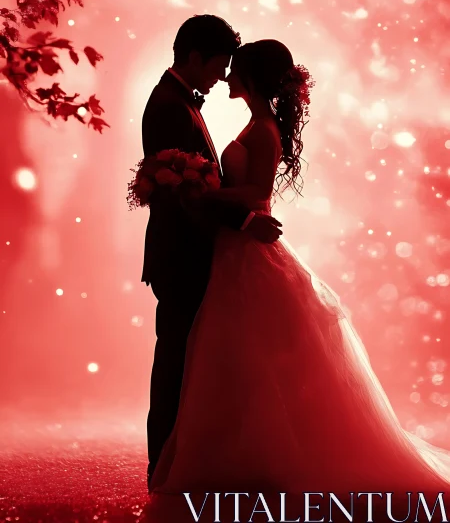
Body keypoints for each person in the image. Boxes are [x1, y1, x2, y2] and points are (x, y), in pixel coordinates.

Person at [148, 39, 450, 496]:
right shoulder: (255, 123)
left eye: (234, 72)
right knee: (230, 354)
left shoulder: (263, 129)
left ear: (249, 79)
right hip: (233, 248)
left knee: (245, 352)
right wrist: (197, 185)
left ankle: (256, 454)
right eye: (223, 68)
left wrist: (197, 188)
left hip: (245, 249)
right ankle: (234, 451)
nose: (226, 77)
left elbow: (256, 195)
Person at [141, 17, 283, 489]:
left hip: (202, 252)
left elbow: (202, 186)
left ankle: (184, 462)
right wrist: (244, 221)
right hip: (182, 255)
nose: (223, 76)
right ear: (196, 57)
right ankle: (163, 468)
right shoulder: (168, 106)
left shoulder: (182, 103)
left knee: (195, 363)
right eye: (220, 64)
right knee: (176, 366)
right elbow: (184, 193)